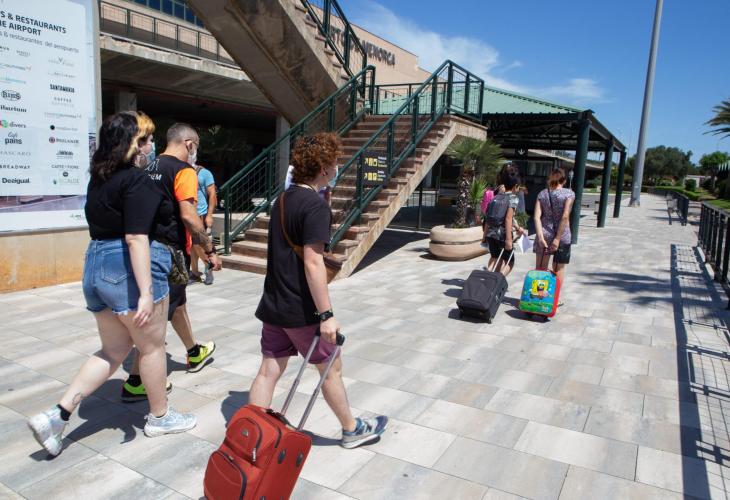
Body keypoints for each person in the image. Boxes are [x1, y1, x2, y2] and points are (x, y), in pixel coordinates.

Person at [27, 113, 196, 457]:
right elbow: (136, 238)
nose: (151, 146)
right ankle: (160, 416)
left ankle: (57, 416)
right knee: (151, 347)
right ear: (133, 145)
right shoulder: (136, 180)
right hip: (125, 267)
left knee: (112, 351)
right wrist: (146, 293)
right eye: (146, 140)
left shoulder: (98, 179)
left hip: (95, 264)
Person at [249, 133, 388, 449]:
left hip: (274, 303)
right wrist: (327, 315)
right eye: (335, 162)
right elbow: (313, 263)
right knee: (330, 368)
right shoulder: (315, 206)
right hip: (301, 308)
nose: (338, 167)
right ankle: (352, 430)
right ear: (324, 167)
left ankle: (250, 437)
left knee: (269, 370)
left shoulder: (282, 199)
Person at [121, 123, 222, 402]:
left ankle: (194, 352)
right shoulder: (183, 170)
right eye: (196, 145)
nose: (195, 151)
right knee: (156, 321)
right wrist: (210, 249)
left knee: (177, 303)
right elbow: (189, 216)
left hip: (147, 249)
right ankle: (136, 381)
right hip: (168, 253)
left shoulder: (148, 168)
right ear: (189, 144)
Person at [534, 166, 575, 296]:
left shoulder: (542, 194)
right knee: (558, 268)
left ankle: (538, 297)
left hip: (545, 233)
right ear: (564, 180)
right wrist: (557, 238)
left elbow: (536, 217)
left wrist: (540, 237)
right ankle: (554, 298)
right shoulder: (569, 194)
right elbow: (565, 216)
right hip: (562, 235)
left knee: (541, 267)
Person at [483, 164, 527, 278]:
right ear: (515, 186)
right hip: (502, 236)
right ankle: (498, 281)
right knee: (509, 262)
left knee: (495, 258)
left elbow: (488, 218)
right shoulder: (513, 198)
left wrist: (484, 236)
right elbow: (508, 218)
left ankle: (488, 279)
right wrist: (508, 239)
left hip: (491, 235)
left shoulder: (495, 197)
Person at [190, 162, 217, 285]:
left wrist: (210, 215)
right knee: (191, 246)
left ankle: (208, 268)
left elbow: (212, 195)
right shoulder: (182, 171)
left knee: (198, 245)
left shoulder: (204, 173)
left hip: (201, 214)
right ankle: (195, 272)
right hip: (188, 215)